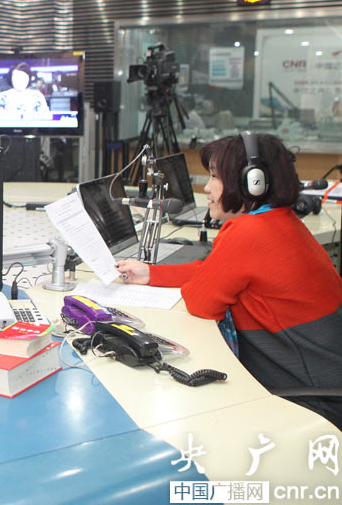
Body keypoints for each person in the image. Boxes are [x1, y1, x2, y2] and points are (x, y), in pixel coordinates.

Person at [117, 133, 342, 429]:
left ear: (252, 182)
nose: (207, 187)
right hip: (321, 379)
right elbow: (221, 271)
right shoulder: (280, 219)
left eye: (215, 177)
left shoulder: (248, 232)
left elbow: (200, 302)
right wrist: (152, 274)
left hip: (311, 401)